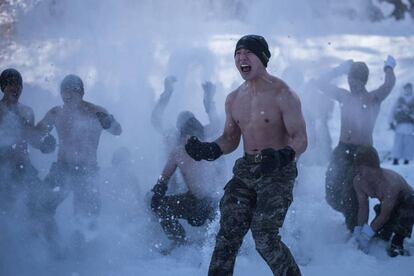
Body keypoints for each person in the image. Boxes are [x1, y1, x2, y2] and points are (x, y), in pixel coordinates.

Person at [185, 35, 307, 276]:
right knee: (227, 235)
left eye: (248, 52)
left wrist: (283, 155)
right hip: (246, 170)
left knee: (264, 238)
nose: (242, 58)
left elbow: (301, 139)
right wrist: (208, 150)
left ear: (262, 58)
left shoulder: (283, 94)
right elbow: (230, 139)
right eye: (237, 53)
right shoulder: (233, 99)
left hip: (277, 171)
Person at [33, 74, 122, 246]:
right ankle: (55, 250)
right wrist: (44, 142)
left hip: (87, 172)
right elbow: (35, 134)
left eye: (72, 90)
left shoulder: (95, 111)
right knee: (41, 207)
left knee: (87, 218)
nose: (67, 95)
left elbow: (118, 130)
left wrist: (108, 122)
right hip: (62, 169)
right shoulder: (56, 112)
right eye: (64, 91)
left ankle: (81, 255)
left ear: (80, 92)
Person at [315, 56, 396, 231]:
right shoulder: (343, 96)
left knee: (352, 190)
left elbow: (389, 84)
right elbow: (319, 83)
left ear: (364, 82)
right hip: (342, 148)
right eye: (350, 81)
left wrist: (389, 67)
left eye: (357, 82)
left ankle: (355, 227)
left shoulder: (373, 98)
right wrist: (339, 69)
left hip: (363, 152)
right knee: (331, 191)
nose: (353, 85)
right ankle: (350, 215)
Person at [150, 115, 220, 254]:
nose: (188, 140)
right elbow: (164, 178)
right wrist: (158, 192)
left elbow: (221, 177)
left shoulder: (210, 149)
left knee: (227, 208)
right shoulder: (178, 152)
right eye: (186, 136)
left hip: (212, 202)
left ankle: (220, 244)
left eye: (192, 136)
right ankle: (179, 242)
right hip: (195, 201)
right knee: (161, 206)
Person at [0, 68, 55, 212]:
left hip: (23, 167)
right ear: (3, 87)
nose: (15, 87)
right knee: (6, 212)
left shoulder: (27, 111)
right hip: (3, 169)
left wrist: (44, 144)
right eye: (11, 84)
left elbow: (30, 137)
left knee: (41, 207)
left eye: (18, 84)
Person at [353, 147, 414, 257]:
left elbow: (384, 215)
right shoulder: (358, 181)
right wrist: (360, 230)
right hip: (389, 205)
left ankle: (398, 241)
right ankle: (387, 231)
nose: (357, 170)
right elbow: (363, 208)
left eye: (360, 167)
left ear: (373, 167)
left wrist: (366, 234)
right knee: (381, 235)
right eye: (356, 166)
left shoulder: (390, 182)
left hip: (407, 203)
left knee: (410, 204)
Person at [389, 83, 414, 165]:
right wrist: (390, 122)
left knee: (409, 143)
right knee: (398, 143)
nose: (407, 90)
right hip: (400, 125)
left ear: (411, 89)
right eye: (406, 89)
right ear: (404, 90)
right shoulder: (399, 99)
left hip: (410, 125)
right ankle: (395, 159)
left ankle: (407, 159)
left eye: (409, 88)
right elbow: (392, 111)